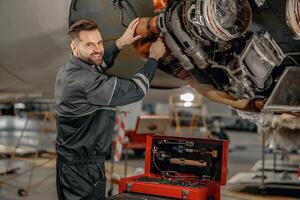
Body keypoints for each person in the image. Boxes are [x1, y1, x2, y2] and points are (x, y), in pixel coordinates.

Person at [55, 18, 165, 200]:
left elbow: (98, 65)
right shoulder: (87, 82)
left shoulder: (71, 69)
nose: (97, 49)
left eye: (99, 42)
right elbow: (136, 90)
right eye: (89, 44)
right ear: (74, 47)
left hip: (73, 164)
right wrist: (154, 57)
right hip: (83, 170)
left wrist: (122, 42)